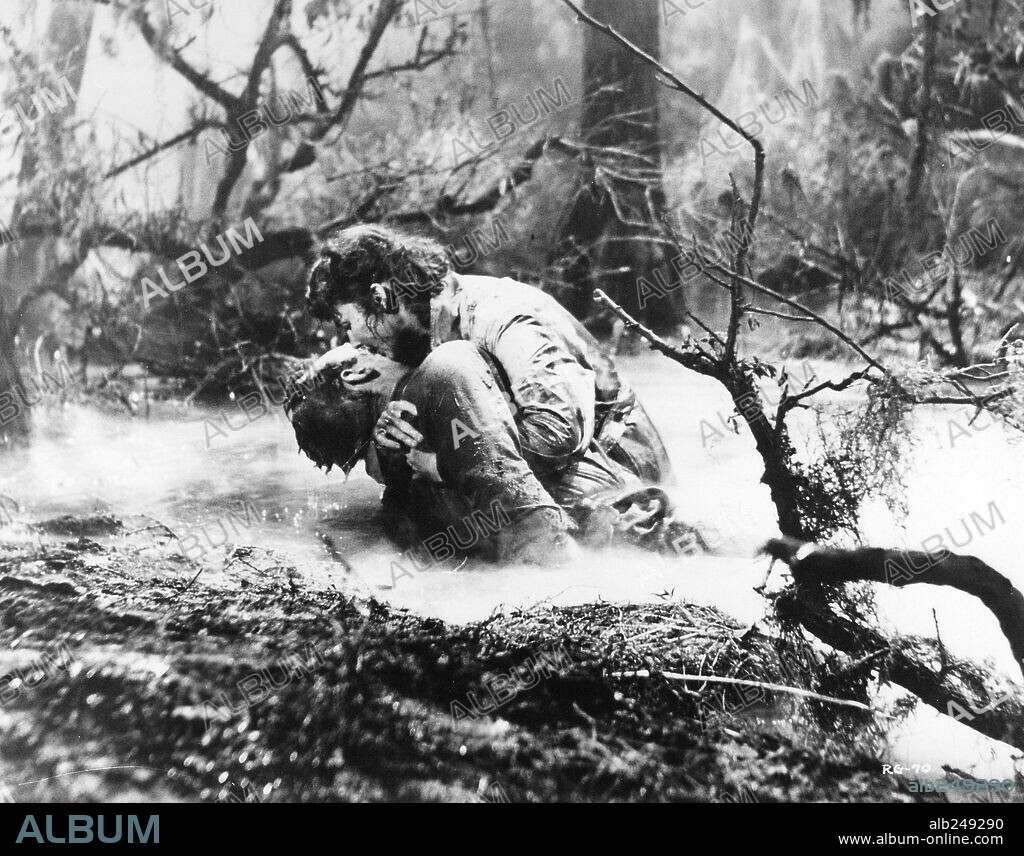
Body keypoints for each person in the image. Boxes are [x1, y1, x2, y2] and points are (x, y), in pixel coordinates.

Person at [303, 224, 673, 493]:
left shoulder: (502, 316)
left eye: (346, 322)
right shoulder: (419, 339)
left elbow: (557, 434)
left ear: (380, 298)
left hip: (622, 472)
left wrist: (441, 466)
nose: (349, 340)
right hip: (565, 468)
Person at [287, 342, 701, 564]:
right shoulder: (440, 374)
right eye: (357, 346)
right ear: (355, 374)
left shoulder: (398, 509)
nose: (369, 344)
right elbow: (536, 529)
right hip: (642, 535)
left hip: (623, 539)